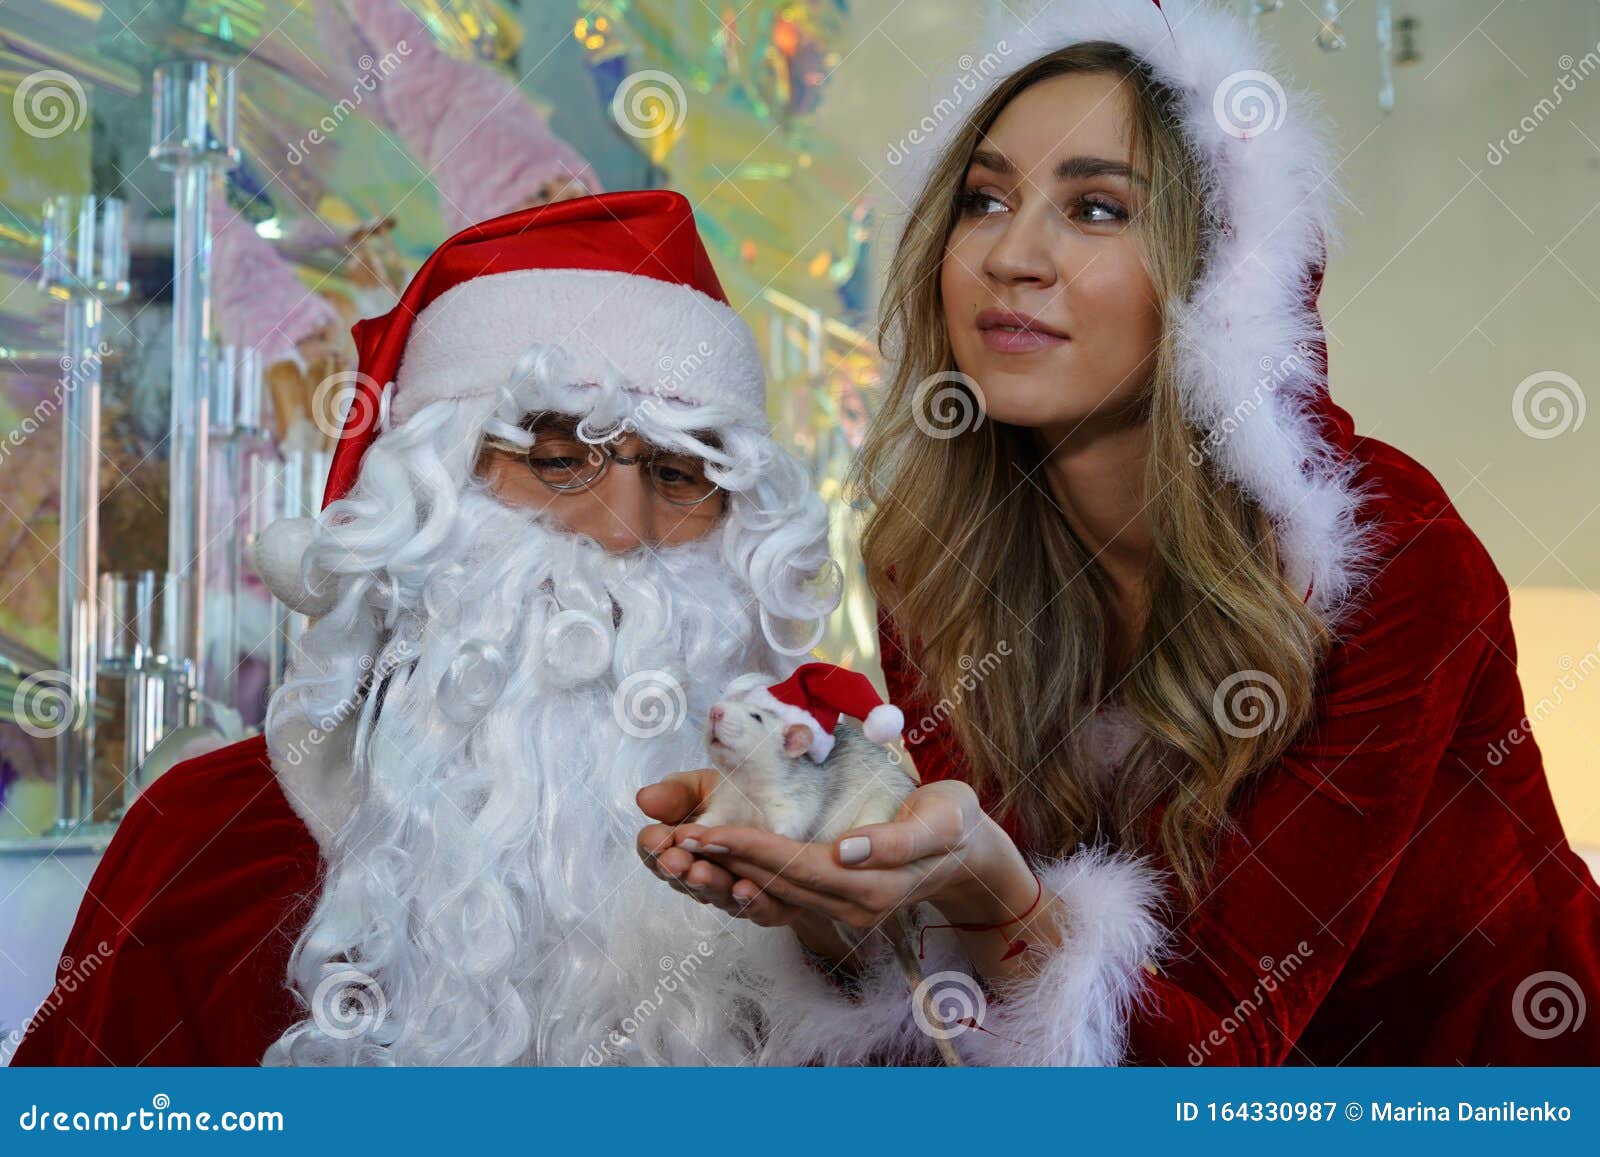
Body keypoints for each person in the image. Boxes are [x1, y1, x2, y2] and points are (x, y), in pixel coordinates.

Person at [653, 0, 1600, 1064]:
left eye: (1096, 208)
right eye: (982, 198)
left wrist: (983, 874)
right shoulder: (932, 556)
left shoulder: (1384, 555)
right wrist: (822, 884)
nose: (1012, 255)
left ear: (1219, 277)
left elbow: (1215, 1060)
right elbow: (980, 1017)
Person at [10, 190, 933, 1066]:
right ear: (429, 498)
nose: (620, 530)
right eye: (559, 460)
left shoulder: (823, 861)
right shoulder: (206, 844)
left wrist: (841, 954)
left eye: (679, 477)